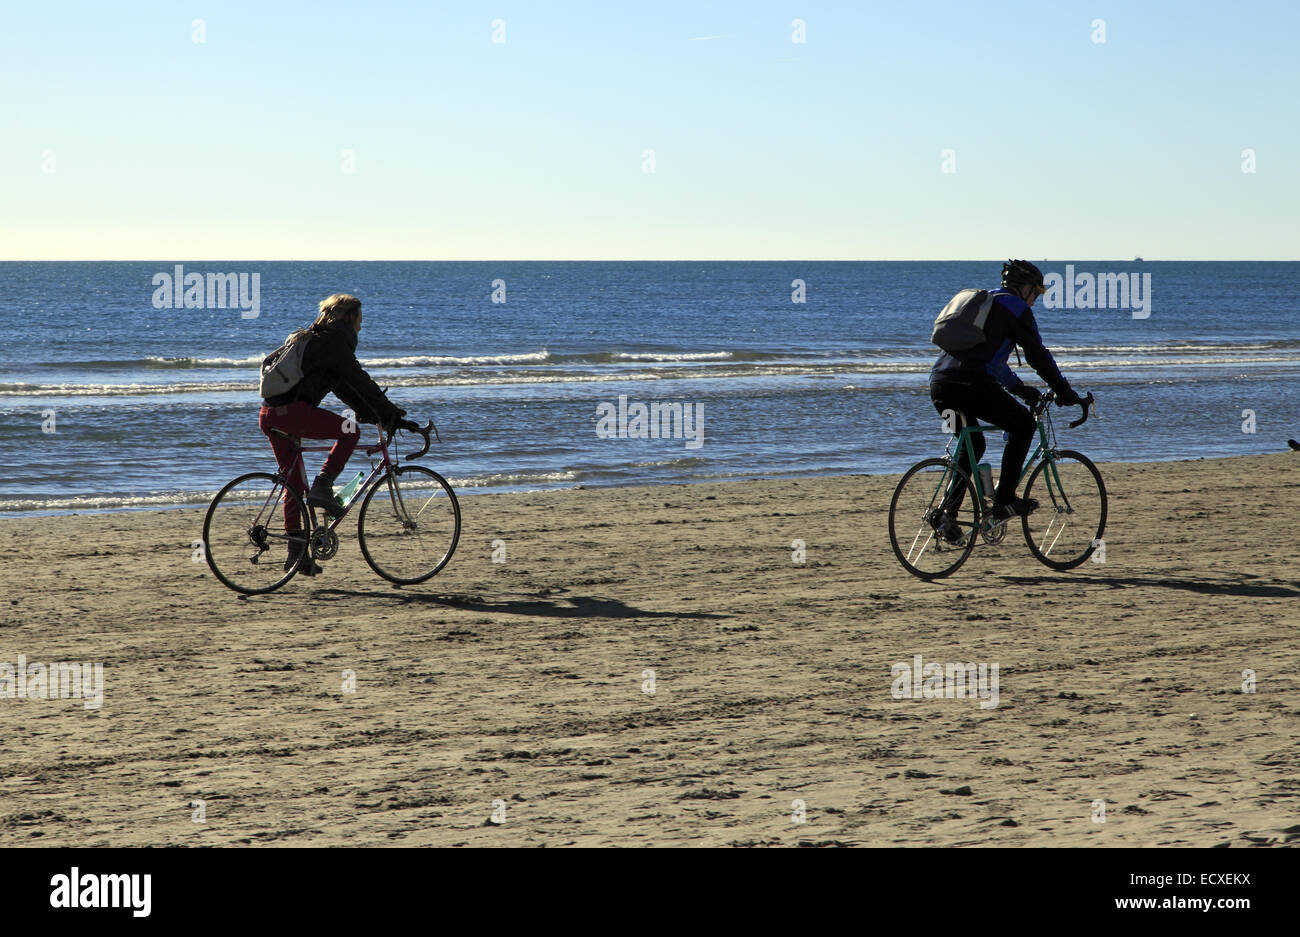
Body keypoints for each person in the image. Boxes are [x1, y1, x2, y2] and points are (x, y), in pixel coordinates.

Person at [260, 293, 419, 574]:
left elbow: (347, 390)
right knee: (350, 432)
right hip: (293, 413)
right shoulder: (334, 342)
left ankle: (296, 555)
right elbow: (359, 380)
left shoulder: (318, 339)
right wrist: (390, 414)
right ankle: (324, 485)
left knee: (294, 486)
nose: (361, 326)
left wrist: (377, 414)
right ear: (349, 317)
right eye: (360, 320)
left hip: (271, 415)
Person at [929, 260, 1085, 538]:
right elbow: (1037, 355)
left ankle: (947, 516)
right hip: (972, 385)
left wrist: (1022, 390)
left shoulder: (985, 306)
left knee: (973, 443)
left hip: (941, 385)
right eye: (1036, 293)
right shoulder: (1016, 308)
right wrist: (1064, 390)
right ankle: (1004, 502)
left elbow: (992, 362)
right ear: (1025, 288)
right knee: (1023, 426)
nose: (1035, 301)